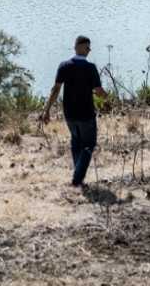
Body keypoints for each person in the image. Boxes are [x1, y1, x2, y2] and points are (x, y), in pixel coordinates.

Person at [40, 35, 108, 187]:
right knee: (89, 145)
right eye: (86, 47)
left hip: (69, 114)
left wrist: (47, 110)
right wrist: (106, 97)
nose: (89, 50)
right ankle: (77, 178)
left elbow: (56, 89)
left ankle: (78, 173)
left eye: (89, 47)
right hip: (86, 114)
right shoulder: (90, 68)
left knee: (76, 143)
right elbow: (98, 90)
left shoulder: (64, 66)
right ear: (77, 47)